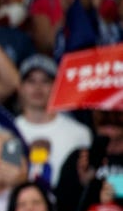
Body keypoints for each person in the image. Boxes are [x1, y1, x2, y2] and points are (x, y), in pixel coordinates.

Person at [14, 55, 92, 188]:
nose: (38, 87)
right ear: (20, 87)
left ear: (57, 86)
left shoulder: (79, 133)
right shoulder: (9, 130)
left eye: (46, 81)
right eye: (31, 81)